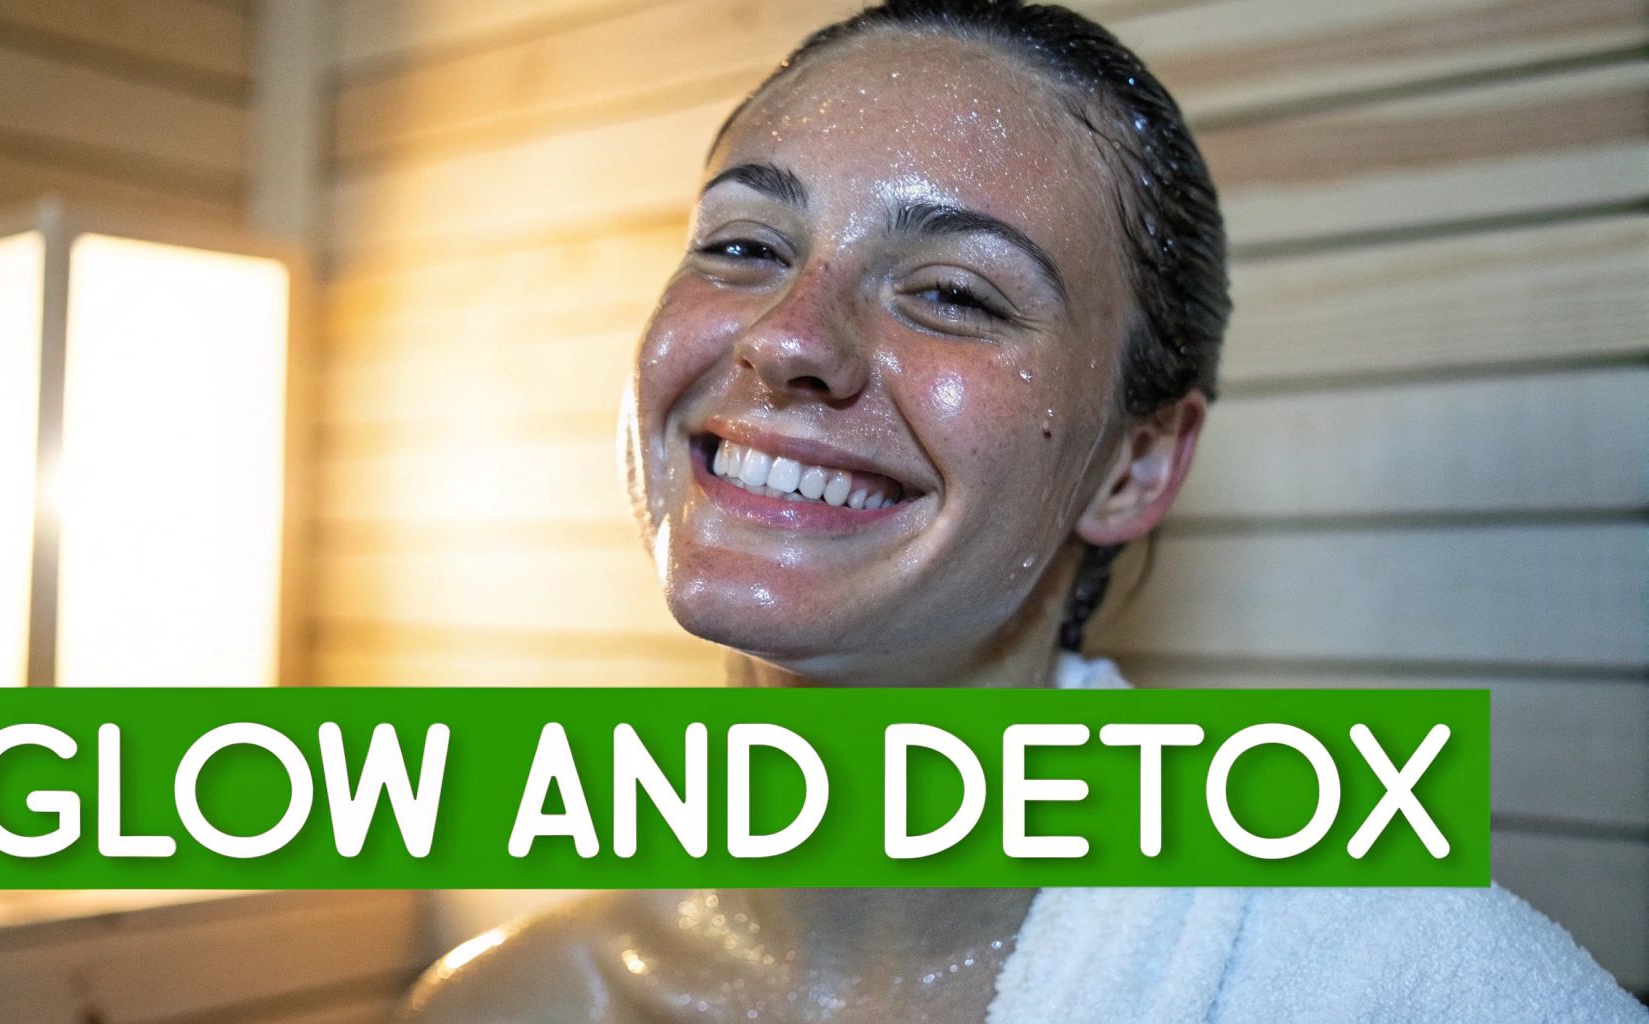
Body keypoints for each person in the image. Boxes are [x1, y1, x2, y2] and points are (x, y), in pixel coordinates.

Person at [396, 1, 1648, 1019]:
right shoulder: (505, 1000)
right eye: (743, 246)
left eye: (951, 290)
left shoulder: (1403, 984)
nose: (787, 339)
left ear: (1133, 467)